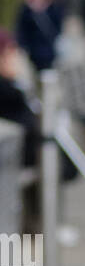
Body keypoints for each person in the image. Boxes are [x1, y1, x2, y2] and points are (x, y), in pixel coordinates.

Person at [0, 30, 41, 232]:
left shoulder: (11, 86)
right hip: (14, 155)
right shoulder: (6, 90)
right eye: (11, 53)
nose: (16, 59)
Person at [15, 0, 64, 73]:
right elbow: (22, 28)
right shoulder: (28, 8)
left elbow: (57, 26)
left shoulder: (53, 7)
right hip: (34, 49)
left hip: (48, 49)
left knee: (47, 74)